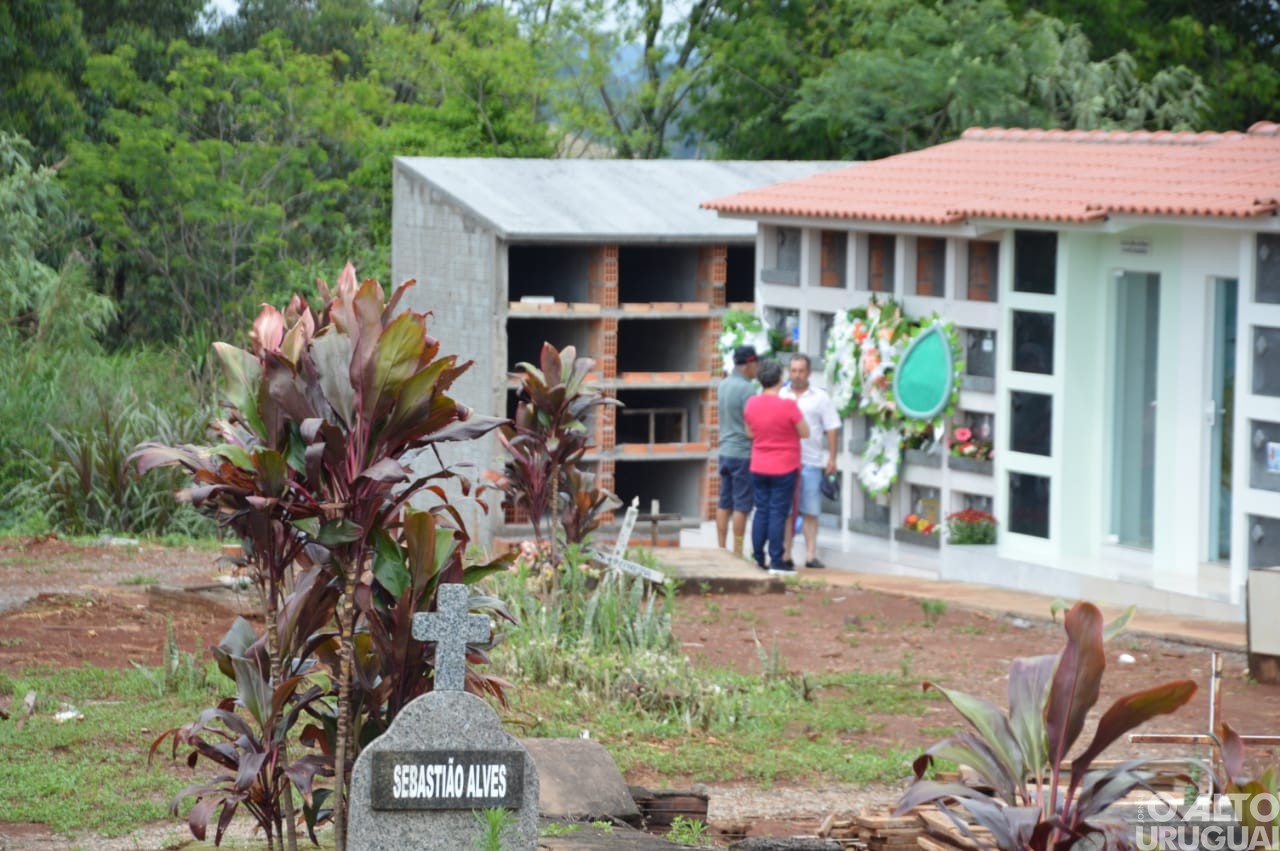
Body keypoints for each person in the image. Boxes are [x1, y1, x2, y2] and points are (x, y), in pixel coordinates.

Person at [743, 359, 809, 574]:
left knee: (760, 510)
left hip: (759, 464)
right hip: (784, 465)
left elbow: (749, 433)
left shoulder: (751, 403)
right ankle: (777, 560)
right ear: (780, 379)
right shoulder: (788, 405)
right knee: (778, 513)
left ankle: (759, 557)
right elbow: (805, 432)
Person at [781, 354, 841, 568]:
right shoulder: (781, 395)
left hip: (812, 461)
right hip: (786, 463)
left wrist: (832, 458)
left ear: (809, 372)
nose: (797, 375)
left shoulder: (820, 398)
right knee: (787, 511)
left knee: (810, 510)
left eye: (801, 371)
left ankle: (810, 555)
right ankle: (786, 555)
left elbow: (832, 427)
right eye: (793, 370)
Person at [716, 345, 758, 556]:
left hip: (724, 451)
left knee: (724, 501)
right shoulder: (748, 390)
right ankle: (738, 552)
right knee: (741, 504)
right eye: (755, 365)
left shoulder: (723, 385)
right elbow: (750, 429)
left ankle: (721, 548)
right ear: (749, 364)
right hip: (742, 453)